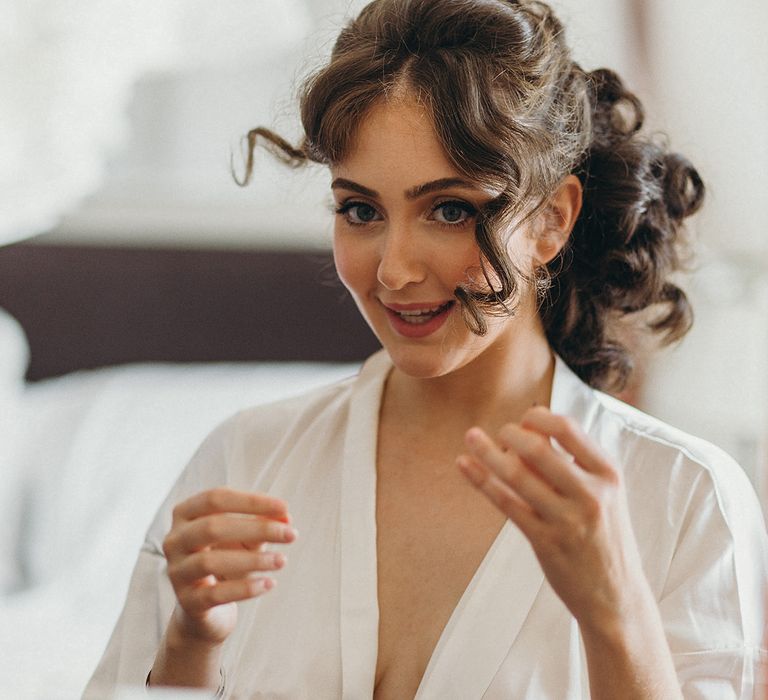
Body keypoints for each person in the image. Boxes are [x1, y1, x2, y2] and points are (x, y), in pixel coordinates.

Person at [84, 1, 768, 698]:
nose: (394, 271)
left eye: (450, 210)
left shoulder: (685, 496)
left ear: (551, 221)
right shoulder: (248, 460)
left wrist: (614, 610)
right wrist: (191, 642)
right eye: (361, 210)